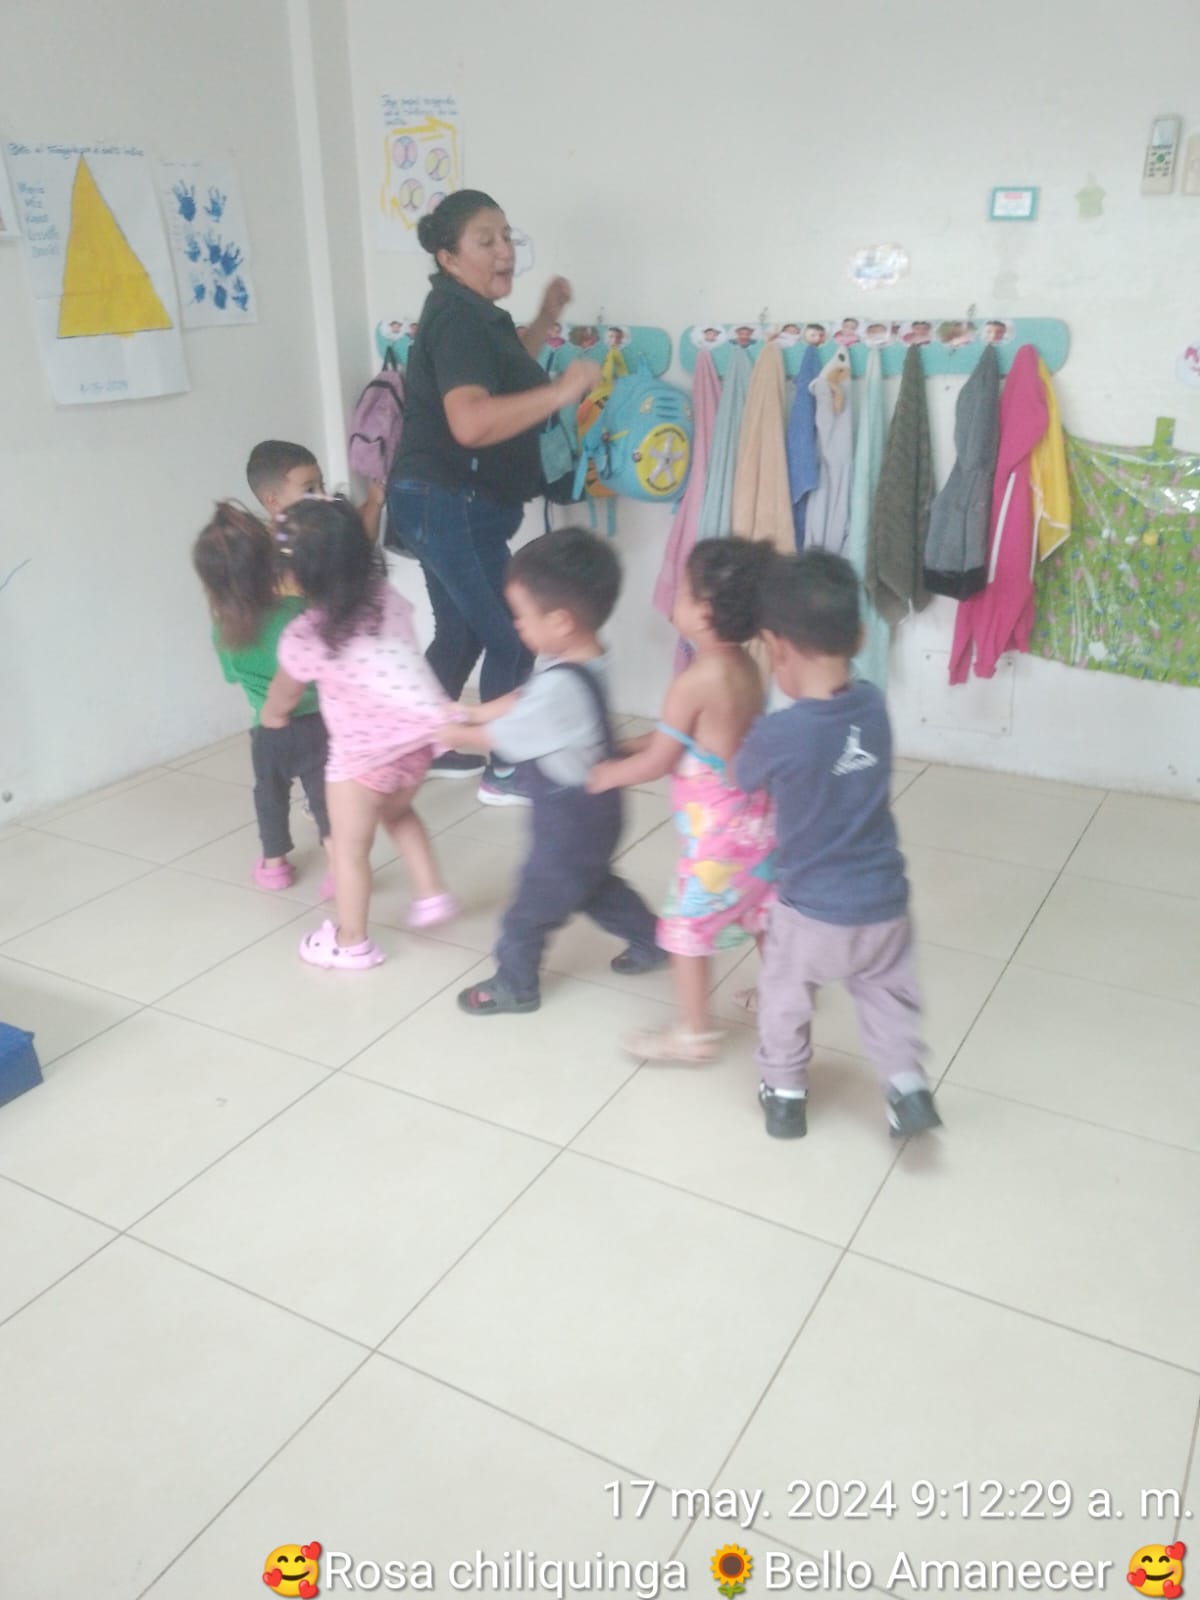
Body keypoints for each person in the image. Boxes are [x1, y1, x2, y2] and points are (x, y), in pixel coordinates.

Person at [387, 190, 601, 802]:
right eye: (486, 240)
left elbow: (506, 371)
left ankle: (415, 745)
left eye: (506, 236)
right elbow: (471, 422)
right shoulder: (459, 319)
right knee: (513, 632)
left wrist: (545, 316)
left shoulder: (473, 314)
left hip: (439, 501)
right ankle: (506, 770)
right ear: (449, 257)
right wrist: (562, 392)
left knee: (462, 632)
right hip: (447, 502)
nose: (504, 250)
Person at [734, 550, 942, 1141]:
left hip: (810, 912)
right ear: (859, 636)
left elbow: (742, 775)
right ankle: (906, 1086)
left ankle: (785, 1093)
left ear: (777, 649)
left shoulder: (780, 733)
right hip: (884, 906)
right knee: (887, 997)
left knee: (785, 996)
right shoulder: (873, 704)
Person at [438, 527, 664, 1015]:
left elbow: (504, 736)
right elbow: (523, 699)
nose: (517, 624)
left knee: (530, 910)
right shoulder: (580, 656)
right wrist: (473, 711)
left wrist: (452, 733)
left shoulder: (561, 688)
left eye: (521, 615)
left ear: (560, 621)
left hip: (571, 819)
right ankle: (654, 939)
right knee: (593, 883)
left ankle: (515, 984)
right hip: (595, 812)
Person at [587, 539, 777, 1062]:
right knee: (762, 909)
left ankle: (693, 1034)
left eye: (683, 590)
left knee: (684, 927)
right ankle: (780, 994)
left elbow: (660, 761)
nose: (674, 597)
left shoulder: (694, 681)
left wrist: (605, 774)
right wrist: (625, 744)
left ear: (705, 610)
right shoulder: (745, 667)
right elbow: (689, 738)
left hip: (719, 839)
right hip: (759, 823)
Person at [261, 497, 456, 971]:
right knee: (400, 813)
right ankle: (431, 893)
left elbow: (286, 694)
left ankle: (351, 942)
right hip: (417, 745)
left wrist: (272, 716)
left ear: (296, 577)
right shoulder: (385, 597)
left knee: (349, 851)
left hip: (361, 763)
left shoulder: (305, 636)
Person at [192, 501, 333, 895]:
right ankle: (340, 868)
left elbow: (231, 676)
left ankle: (274, 866)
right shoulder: (299, 611)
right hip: (319, 724)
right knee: (324, 798)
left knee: (269, 794)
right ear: (272, 564)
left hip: (267, 732)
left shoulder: (223, 630)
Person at [247, 439, 383, 544]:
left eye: (322, 486)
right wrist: (374, 503)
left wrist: (372, 503)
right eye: (310, 490)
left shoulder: (314, 526)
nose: (322, 496)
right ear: (273, 501)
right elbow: (362, 545)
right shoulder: (294, 543)